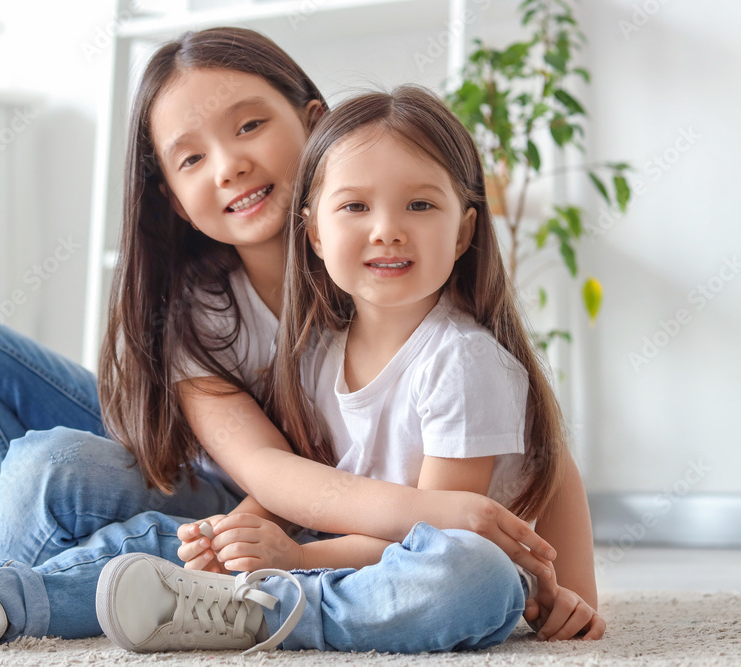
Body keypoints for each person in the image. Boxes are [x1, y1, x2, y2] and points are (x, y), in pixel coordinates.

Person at [0, 29, 553, 652]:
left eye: (251, 125)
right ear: (170, 195)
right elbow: (259, 465)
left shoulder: (384, 268)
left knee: (71, 479)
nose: (232, 164)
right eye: (192, 158)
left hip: (301, 511)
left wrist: (561, 579)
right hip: (230, 475)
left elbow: (520, 421)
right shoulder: (195, 302)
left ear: (316, 122)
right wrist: (423, 512)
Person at [97, 85, 605, 653]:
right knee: (150, 545)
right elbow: (306, 478)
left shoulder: (461, 359)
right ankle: (17, 597)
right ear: (313, 232)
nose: (386, 228)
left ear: (463, 231)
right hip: (343, 556)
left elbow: (437, 536)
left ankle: (263, 611)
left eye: (420, 205)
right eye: (356, 207)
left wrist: (296, 558)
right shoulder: (317, 350)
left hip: (413, 566)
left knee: (471, 574)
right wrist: (237, 534)